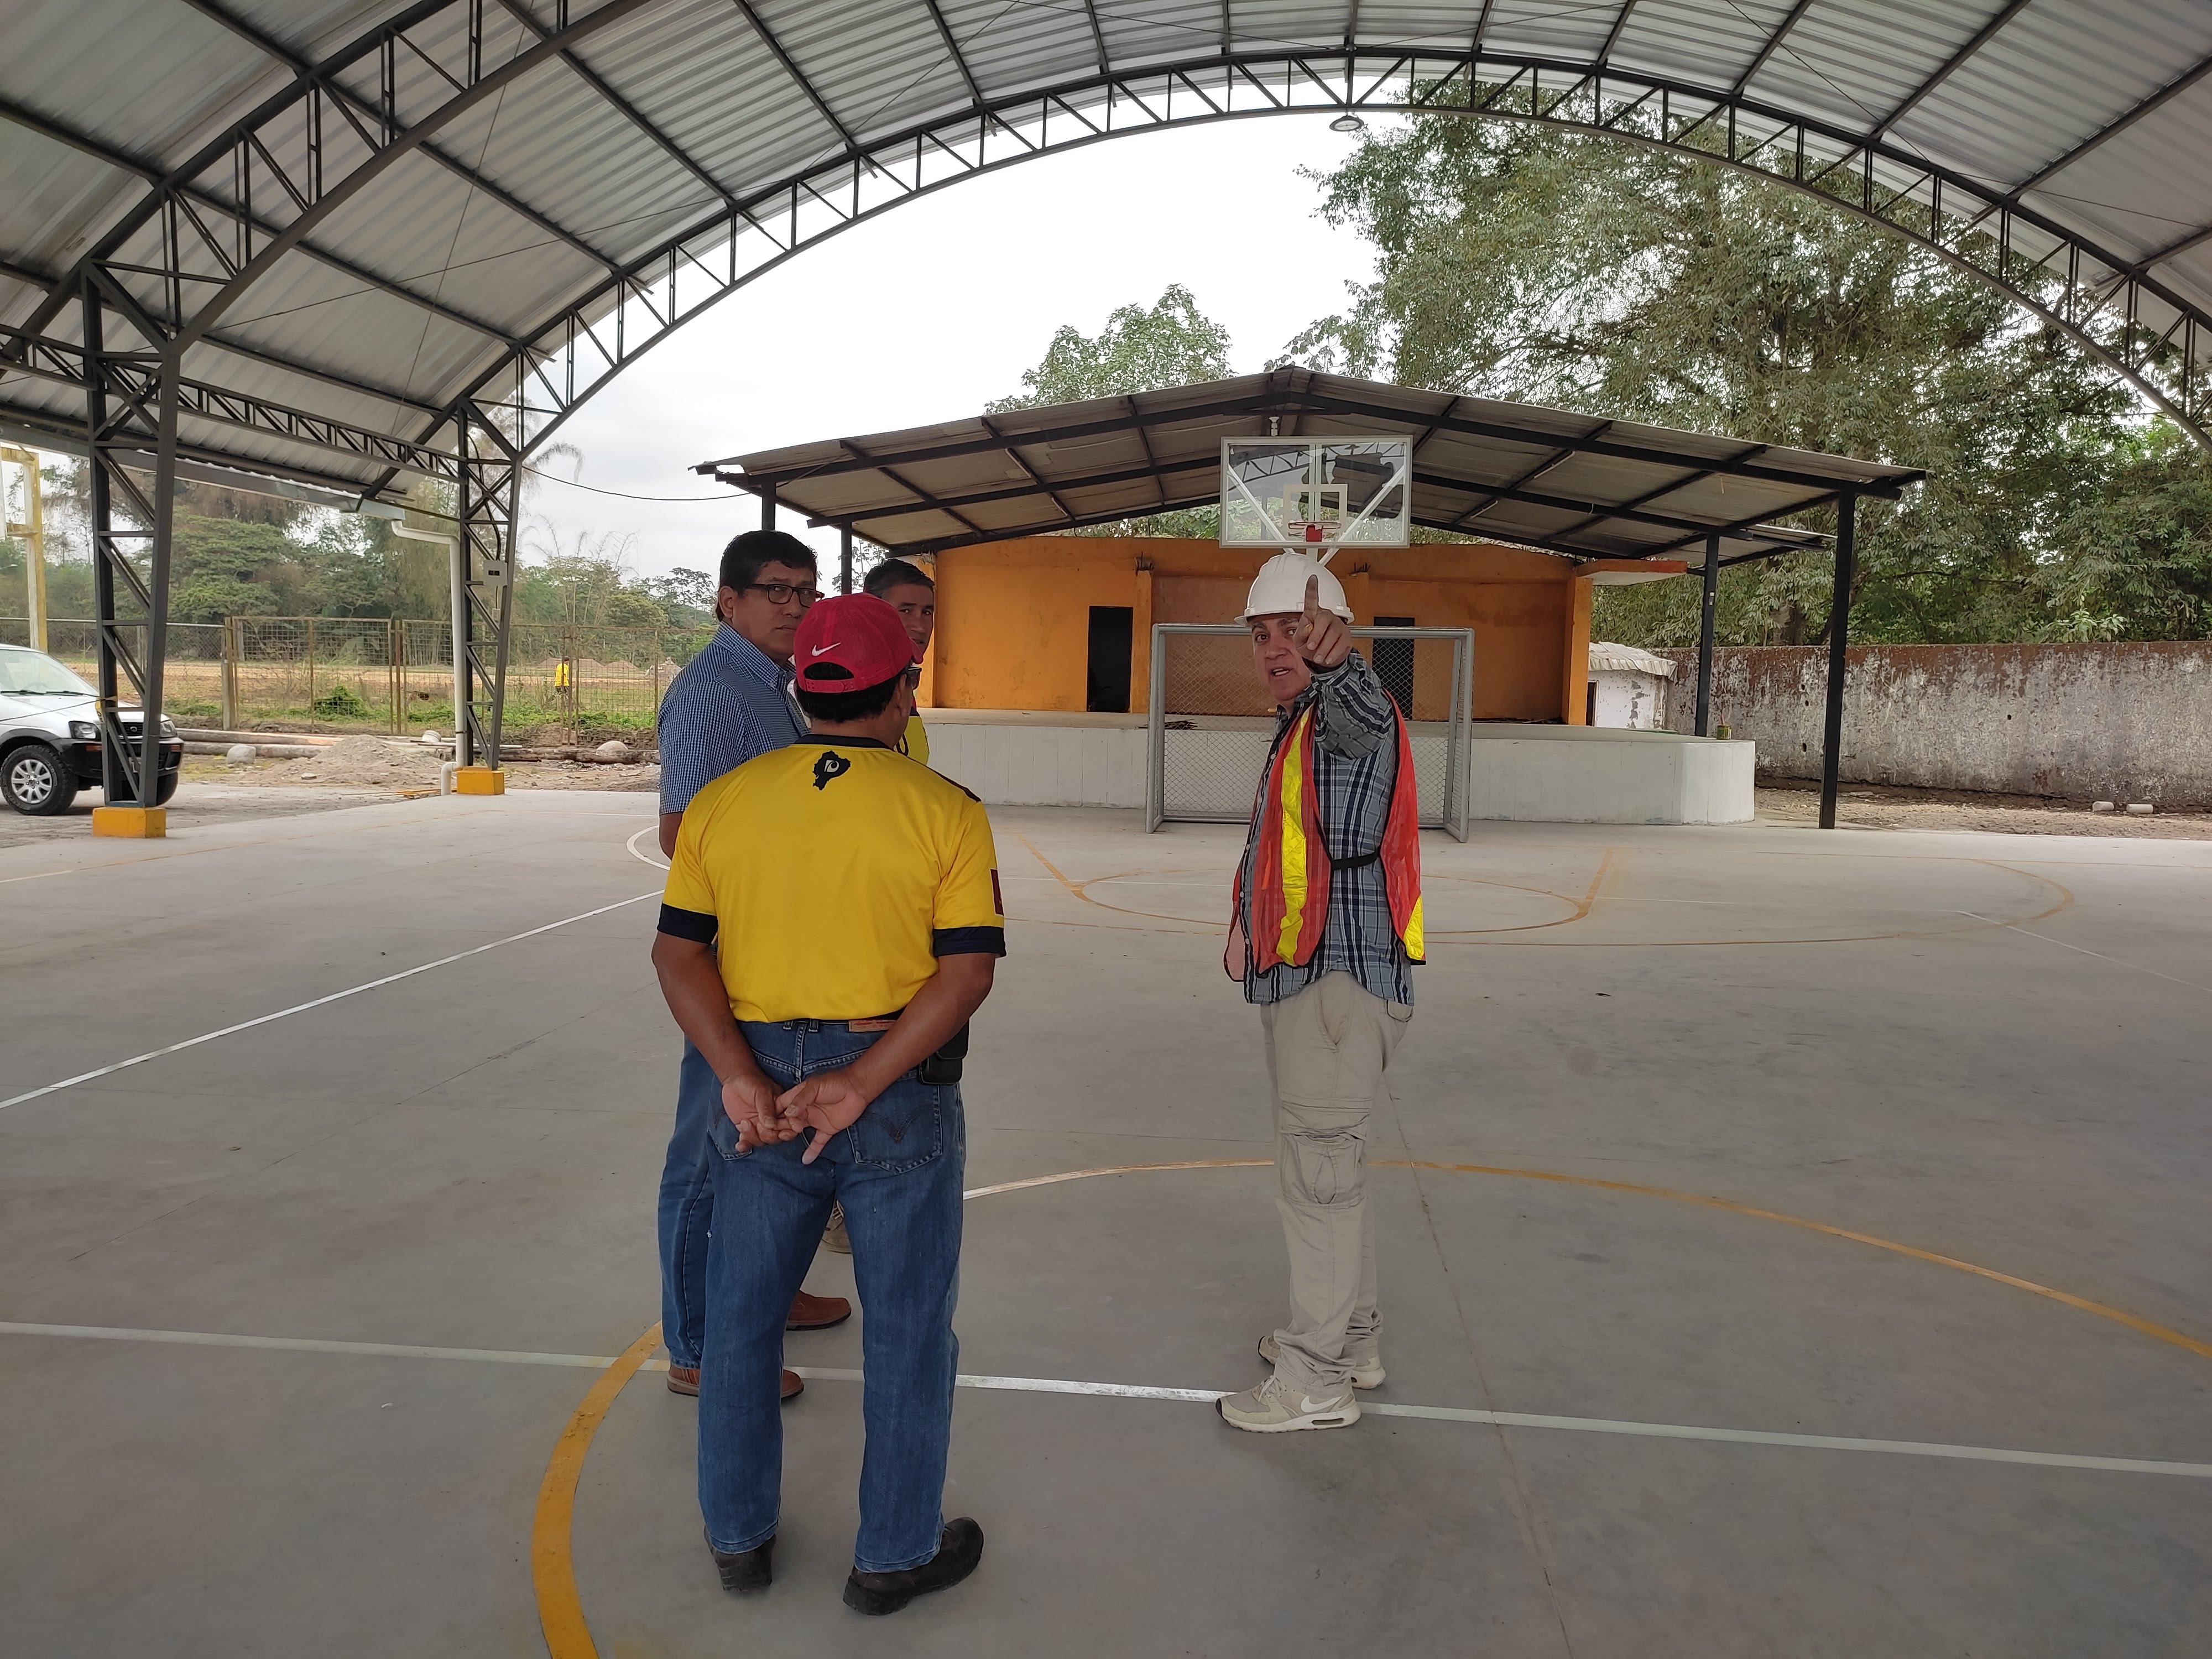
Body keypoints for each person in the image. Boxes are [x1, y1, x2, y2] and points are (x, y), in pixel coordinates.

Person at [650, 592, 1001, 1613]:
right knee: (908, 1329)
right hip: (892, 1089)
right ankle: (892, 1555)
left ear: (802, 691)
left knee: (742, 1318)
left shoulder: (726, 803)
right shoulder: (946, 810)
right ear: (903, 692)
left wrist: (739, 1075)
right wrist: (859, 1080)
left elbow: (678, 954)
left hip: (759, 1087)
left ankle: (738, 1539)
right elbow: (966, 974)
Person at [1214, 554, 1423, 1434]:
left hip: (1337, 984)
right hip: (1310, 975)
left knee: (1318, 1182)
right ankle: (1355, 1339)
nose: (1275, 648)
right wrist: (1242, 920)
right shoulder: (1298, 724)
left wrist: (1341, 662)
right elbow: (1278, 840)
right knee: (1333, 1171)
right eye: (1262, 634)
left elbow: (1362, 709)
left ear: (1330, 634)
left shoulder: (1347, 707)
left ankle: (1315, 1381)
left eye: (1293, 632)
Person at [655, 529, 849, 1404]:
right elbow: (683, 834)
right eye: (776, 591)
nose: (795, 608)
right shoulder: (715, 691)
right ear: (727, 601)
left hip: (781, 952)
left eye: (806, 592)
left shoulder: (776, 686)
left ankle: (770, 1295)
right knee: (710, 1150)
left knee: (774, 1129)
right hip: (733, 956)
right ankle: (698, 1345)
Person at [862, 557, 936, 765]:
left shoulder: (904, 685)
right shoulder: (849, 691)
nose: (920, 626)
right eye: (906, 611)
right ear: (871, 612)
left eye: (927, 612)